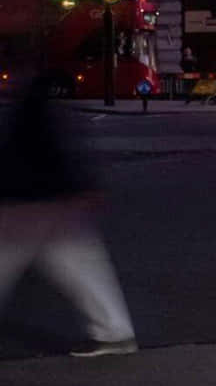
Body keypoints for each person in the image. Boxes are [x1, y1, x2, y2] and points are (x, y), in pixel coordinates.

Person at [0, 73, 139, 356]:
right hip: (49, 191)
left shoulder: (27, 79)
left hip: (30, 193)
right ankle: (114, 331)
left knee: (14, 254)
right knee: (76, 259)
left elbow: (34, 138)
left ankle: (114, 331)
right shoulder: (36, 82)